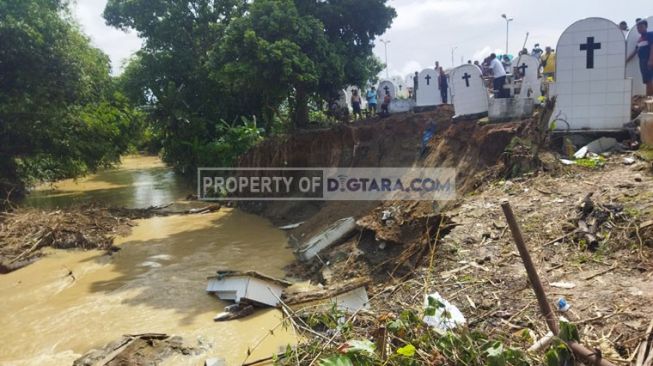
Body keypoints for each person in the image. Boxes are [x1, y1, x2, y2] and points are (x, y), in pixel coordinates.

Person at [627, 19, 653, 96]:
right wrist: (626, 60)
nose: (639, 29)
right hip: (642, 62)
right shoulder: (639, 40)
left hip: (648, 60)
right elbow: (635, 51)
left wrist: (651, 60)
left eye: (641, 27)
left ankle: (649, 99)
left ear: (646, 27)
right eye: (638, 27)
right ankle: (649, 98)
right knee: (646, 81)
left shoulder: (650, 34)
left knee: (649, 80)